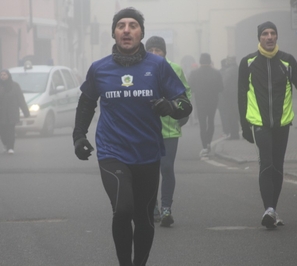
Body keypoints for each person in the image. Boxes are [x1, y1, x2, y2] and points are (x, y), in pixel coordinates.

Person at [72, 7, 192, 266]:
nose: (126, 30)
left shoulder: (158, 66)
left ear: (141, 33)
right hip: (111, 151)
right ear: (114, 33)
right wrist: (79, 135)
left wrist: (170, 107)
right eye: (121, 26)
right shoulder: (99, 68)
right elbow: (86, 103)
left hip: (147, 153)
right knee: (123, 209)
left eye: (133, 25)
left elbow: (185, 104)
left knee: (144, 218)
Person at [238, 21, 297, 229]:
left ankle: (272, 210)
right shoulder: (248, 62)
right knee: (266, 163)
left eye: (273, 33)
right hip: (260, 123)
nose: (269, 37)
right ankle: (268, 208)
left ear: (277, 37)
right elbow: (241, 95)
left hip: (282, 123)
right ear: (259, 37)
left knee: (278, 166)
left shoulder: (287, 61)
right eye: (265, 33)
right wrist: (244, 125)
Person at [145, 36, 192, 227]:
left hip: (170, 129)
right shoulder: (141, 69)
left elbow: (185, 94)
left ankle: (166, 208)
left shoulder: (175, 69)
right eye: (152, 50)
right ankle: (152, 206)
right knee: (149, 170)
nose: (155, 54)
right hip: (146, 129)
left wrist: (181, 114)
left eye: (159, 50)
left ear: (165, 52)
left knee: (166, 167)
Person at [0, 70, 30, 154]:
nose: (3, 76)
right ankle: (5, 143)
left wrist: (26, 112)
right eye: (1, 75)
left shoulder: (15, 86)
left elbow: (21, 100)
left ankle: (11, 147)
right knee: (1, 130)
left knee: (11, 129)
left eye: (4, 74)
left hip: (12, 112)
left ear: (8, 75)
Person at [188, 53, 223, 158]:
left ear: (200, 61)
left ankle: (205, 145)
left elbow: (190, 87)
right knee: (211, 121)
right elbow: (221, 88)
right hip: (213, 101)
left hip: (200, 101)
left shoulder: (194, 74)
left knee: (202, 124)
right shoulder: (216, 73)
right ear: (209, 61)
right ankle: (209, 141)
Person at [221, 56, 240, 140]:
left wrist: (223, 94)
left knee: (232, 116)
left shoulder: (228, 71)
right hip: (239, 95)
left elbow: (224, 84)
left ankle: (234, 134)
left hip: (230, 96)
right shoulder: (239, 69)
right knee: (240, 114)